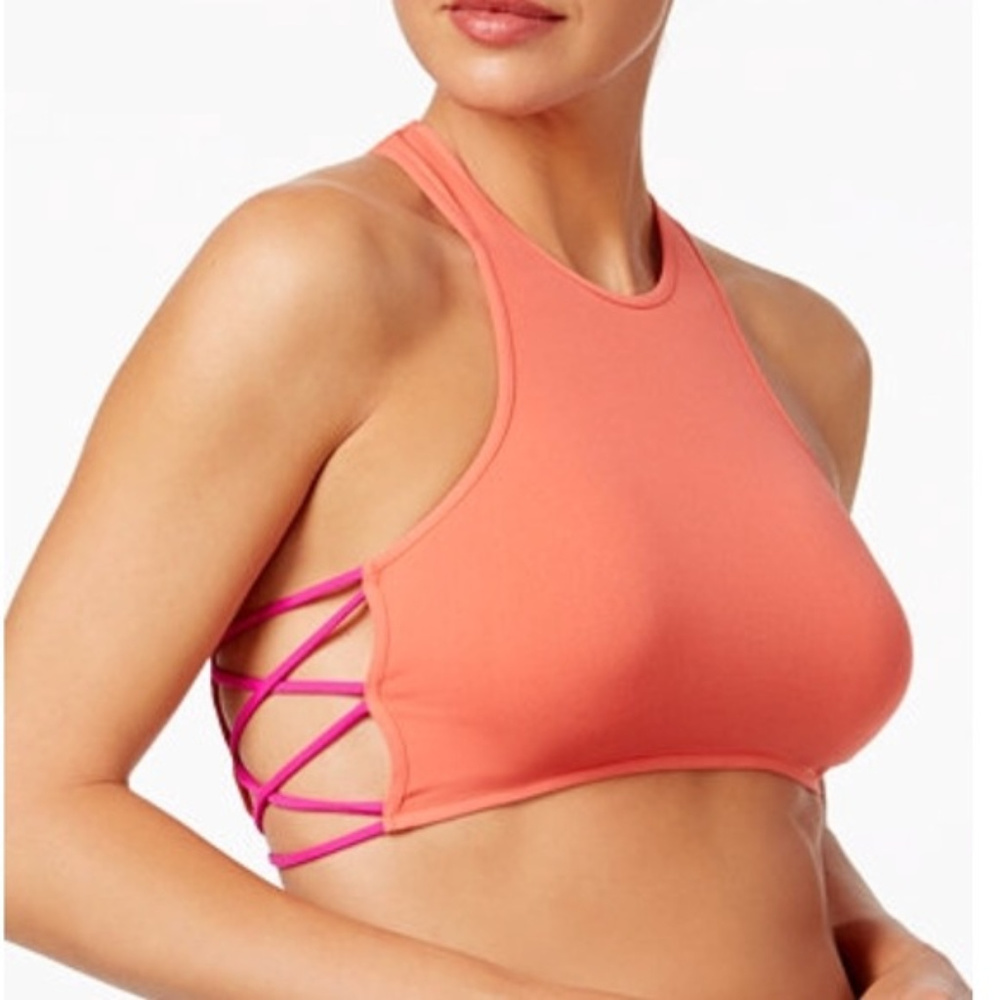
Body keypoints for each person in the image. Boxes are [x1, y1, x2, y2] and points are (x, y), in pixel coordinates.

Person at [5, 1, 971, 997]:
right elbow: (22, 821)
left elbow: (719, 781)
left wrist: (883, 942)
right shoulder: (320, 273)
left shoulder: (804, 353)